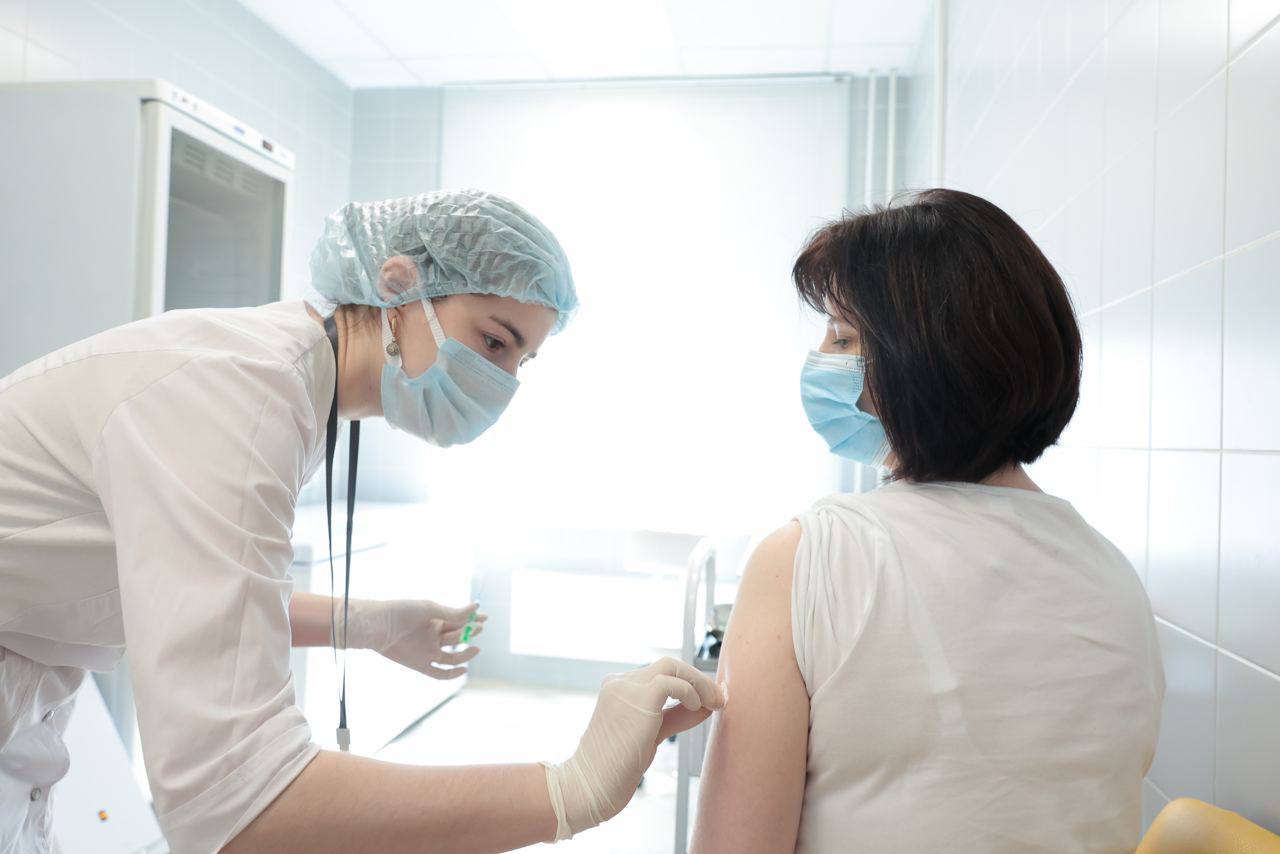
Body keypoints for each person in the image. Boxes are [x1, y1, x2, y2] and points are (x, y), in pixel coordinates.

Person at [0, 188, 723, 853]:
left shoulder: (291, 384)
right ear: (398, 286)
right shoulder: (242, 393)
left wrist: (367, 622)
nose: (502, 382)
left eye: (522, 362)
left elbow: (203, 593)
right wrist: (572, 790)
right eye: (494, 342)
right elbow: (233, 804)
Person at [691, 189, 1164, 853]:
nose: (821, 358)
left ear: (922, 361)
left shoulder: (809, 558)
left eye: (843, 337)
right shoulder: (1113, 576)